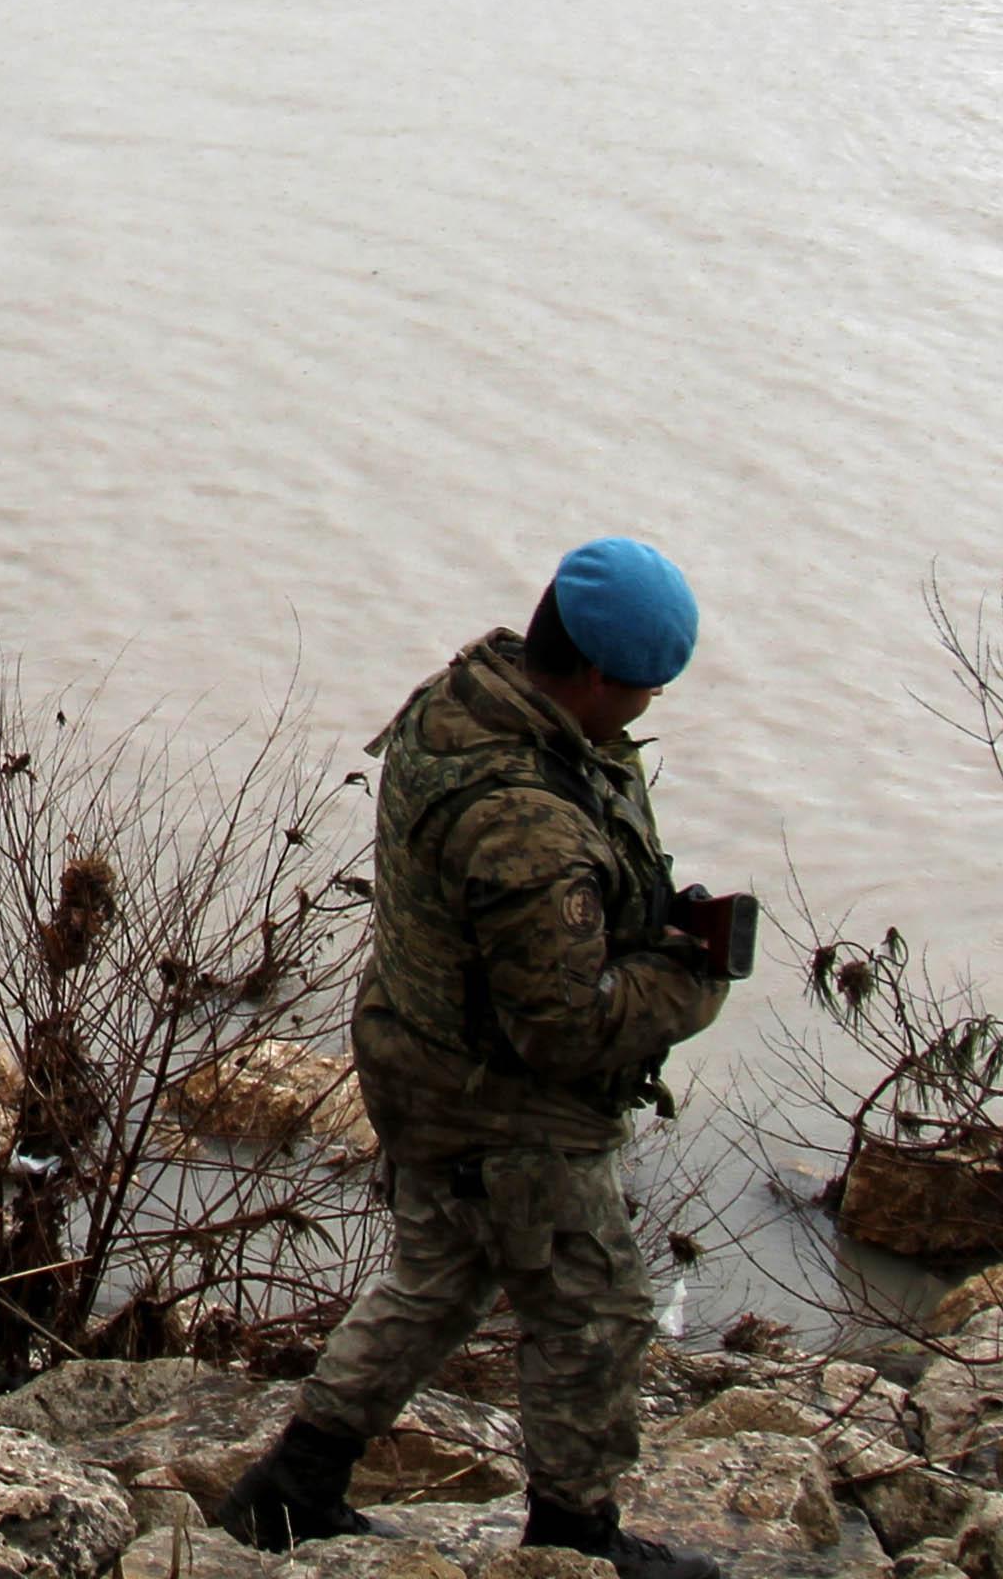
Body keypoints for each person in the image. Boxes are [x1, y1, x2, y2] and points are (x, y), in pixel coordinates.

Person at [213, 539, 737, 1579]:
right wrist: (692, 980)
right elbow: (563, 1025)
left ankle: (289, 1489)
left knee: (441, 1275)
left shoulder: (469, 698)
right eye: (644, 686)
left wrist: (630, 915)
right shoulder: (522, 815)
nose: (646, 704)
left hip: (419, 1048)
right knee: (596, 1309)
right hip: (502, 1099)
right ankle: (575, 1539)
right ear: (592, 674)